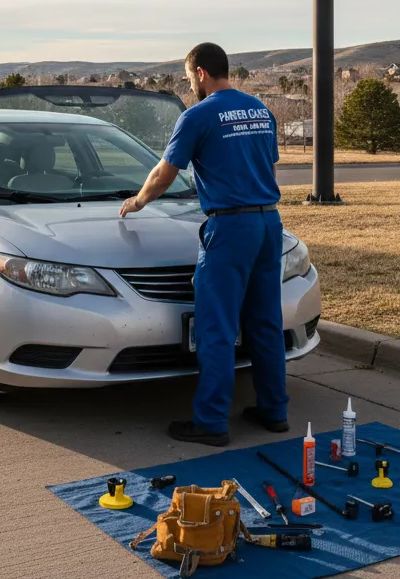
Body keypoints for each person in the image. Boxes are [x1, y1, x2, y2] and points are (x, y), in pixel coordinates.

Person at [119, 42, 288, 446]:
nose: (187, 83)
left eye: (186, 76)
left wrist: (139, 201)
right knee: (265, 322)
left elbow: (164, 172)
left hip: (230, 229)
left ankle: (211, 422)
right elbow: (267, 163)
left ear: (199, 74)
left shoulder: (198, 115)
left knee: (216, 327)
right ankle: (274, 411)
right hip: (269, 223)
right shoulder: (260, 111)